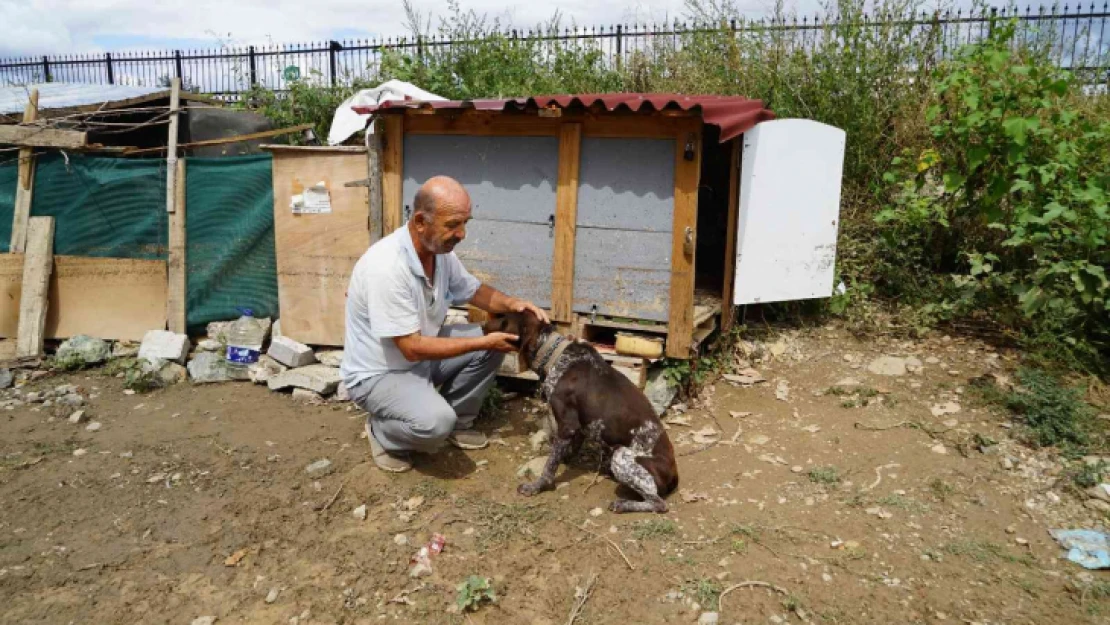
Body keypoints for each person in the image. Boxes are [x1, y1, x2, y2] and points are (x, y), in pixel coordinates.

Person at [341, 175, 550, 472]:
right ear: (420, 221)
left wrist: (513, 304)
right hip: (381, 374)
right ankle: (383, 432)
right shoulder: (386, 267)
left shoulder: (438, 253)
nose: (462, 233)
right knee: (434, 424)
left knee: (498, 335)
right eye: (453, 224)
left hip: (420, 356)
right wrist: (482, 341)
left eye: (466, 222)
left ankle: (459, 420)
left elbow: (474, 291)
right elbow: (412, 348)